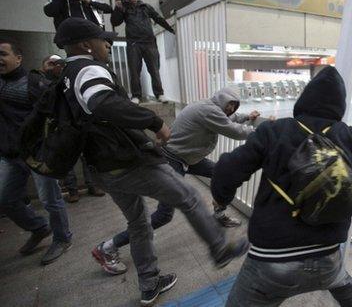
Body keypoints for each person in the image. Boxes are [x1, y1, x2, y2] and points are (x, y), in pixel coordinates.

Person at [53, 18, 247, 306]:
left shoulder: (67, 75)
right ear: (85, 45)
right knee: (190, 198)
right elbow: (102, 103)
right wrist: (155, 121)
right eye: (102, 40)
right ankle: (219, 249)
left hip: (104, 166)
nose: (107, 44)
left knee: (140, 221)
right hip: (129, 161)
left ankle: (148, 281)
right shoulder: (89, 68)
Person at [211, 66, 352, 306]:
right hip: (326, 257)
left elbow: (227, 170)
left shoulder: (275, 131)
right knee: (340, 281)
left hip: (272, 262)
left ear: (304, 99)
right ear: (339, 105)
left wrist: (222, 199)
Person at [94, 87, 269, 275]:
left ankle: (218, 213)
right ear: (222, 99)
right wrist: (265, 130)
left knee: (222, 173)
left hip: (188, 159)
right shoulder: (208, 110)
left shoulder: (211, 108)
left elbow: (229, 120)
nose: (231, 109)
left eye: (234, 107)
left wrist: (247, 117)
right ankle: (108, 247)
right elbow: (233, 130)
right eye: (230, 104)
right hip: (174, 159)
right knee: (164, 215)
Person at [0, 39, 73, 265]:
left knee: (50, 199)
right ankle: (39, 228)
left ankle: (62, 238)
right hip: (10, 154)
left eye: (2, 54)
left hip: (37, 153)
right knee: (5, 199)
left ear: (18, 58)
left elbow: (55, 115)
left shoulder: (33, 83)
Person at [30, 55, 105, 202]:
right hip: (56, 127)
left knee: (86, 157)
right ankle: (72, 190)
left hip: (77, 124)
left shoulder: (67, 77)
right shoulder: (39, 80)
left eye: (58, 63)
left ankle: (93, 185)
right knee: (66, 159)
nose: (55, 66)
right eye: (51, 63)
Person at [110, 0, 174, 104]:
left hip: (149, 42)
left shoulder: (145, 7)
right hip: (133, 43)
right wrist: (117, 8)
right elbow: (115, 22)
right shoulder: (123, 8)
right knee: (134, 71)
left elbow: (158, 18)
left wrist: (171, 29)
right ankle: (136, 96)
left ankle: (159, 94)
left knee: (154, 69)